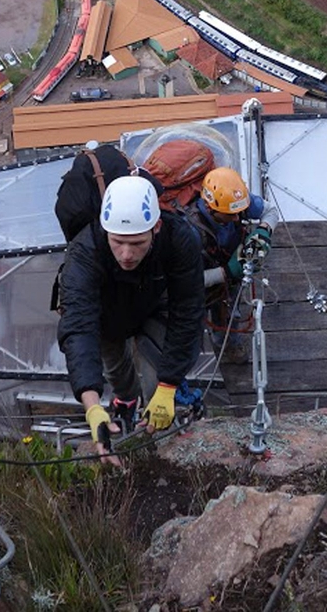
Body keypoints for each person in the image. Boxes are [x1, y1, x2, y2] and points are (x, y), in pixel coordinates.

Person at [57, 175, 206, 466]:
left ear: (156, 228)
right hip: (107, 313)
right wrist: (92, 408)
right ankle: (124, 403)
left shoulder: (179, 238)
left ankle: (159, 447)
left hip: (154, 304)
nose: (126, 254)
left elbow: (188, 310)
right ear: (105, 230)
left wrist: (168, 385)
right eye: (118, 242)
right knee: (116, 370)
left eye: (137, 243)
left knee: (155, 381)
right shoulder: (84, 251)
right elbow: (78, 328)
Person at [186, 168, 271, 361]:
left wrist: (263, 232)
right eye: (230, 215)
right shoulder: (190, 233)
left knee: (229, 313)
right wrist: (226, 272)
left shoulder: (235, 203)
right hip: (197, 285)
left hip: (227, 281)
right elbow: (181, 282)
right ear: (210, 209)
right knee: (191, 328)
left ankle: (228, 345)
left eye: (239, 213)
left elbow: (270, 211)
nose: (237, 218)